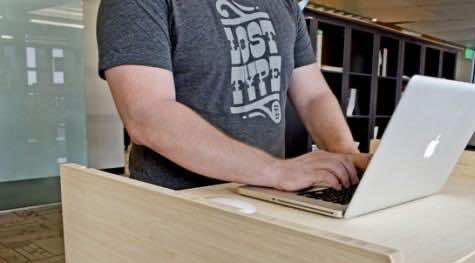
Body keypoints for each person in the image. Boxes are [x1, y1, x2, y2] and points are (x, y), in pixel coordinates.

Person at [97, 0, 369, 191]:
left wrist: (346, 155)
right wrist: (276, 170)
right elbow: (147, 115)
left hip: (265, 194)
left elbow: (314, 96)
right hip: (180, 201)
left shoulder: (285, 5)